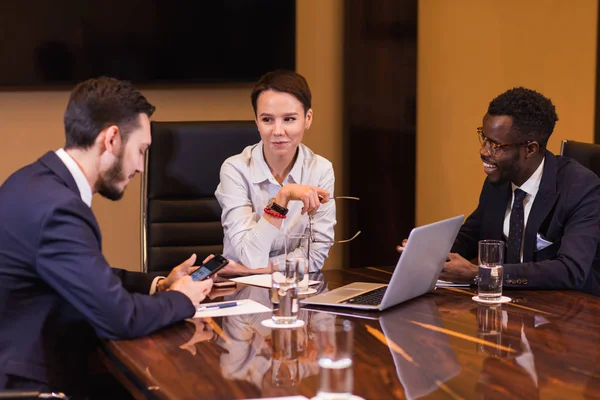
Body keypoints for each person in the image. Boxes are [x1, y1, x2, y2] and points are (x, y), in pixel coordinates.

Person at [0, 77, 214, 395]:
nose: (141, 167)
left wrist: (158, 284)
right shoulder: (60, 208)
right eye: (141, 151)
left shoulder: (31, 181)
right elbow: (120, 318)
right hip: (32, 382)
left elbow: (76, 273)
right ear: (112, 139)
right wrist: (182, 298)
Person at [440, 87, 600, 296]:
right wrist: (429, 251)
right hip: (511, 309)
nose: (484, 151)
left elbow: (570, 270)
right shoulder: (498, 182)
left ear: (530, 149)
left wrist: (481, 274)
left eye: (495, 145)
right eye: (484, 138)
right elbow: (470, 237)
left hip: (568, 314)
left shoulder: (581, 188)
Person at [215, 70, 335, 274]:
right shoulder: (235, 169)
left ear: (308, 118)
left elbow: (315, 256)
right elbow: (251, 256)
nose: (278, 131)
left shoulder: (320, 170)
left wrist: (251, 270)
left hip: (292, 288)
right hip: (240, 292)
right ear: (256, 121)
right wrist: (283, 197)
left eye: (289, 119)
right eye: (267, 120)